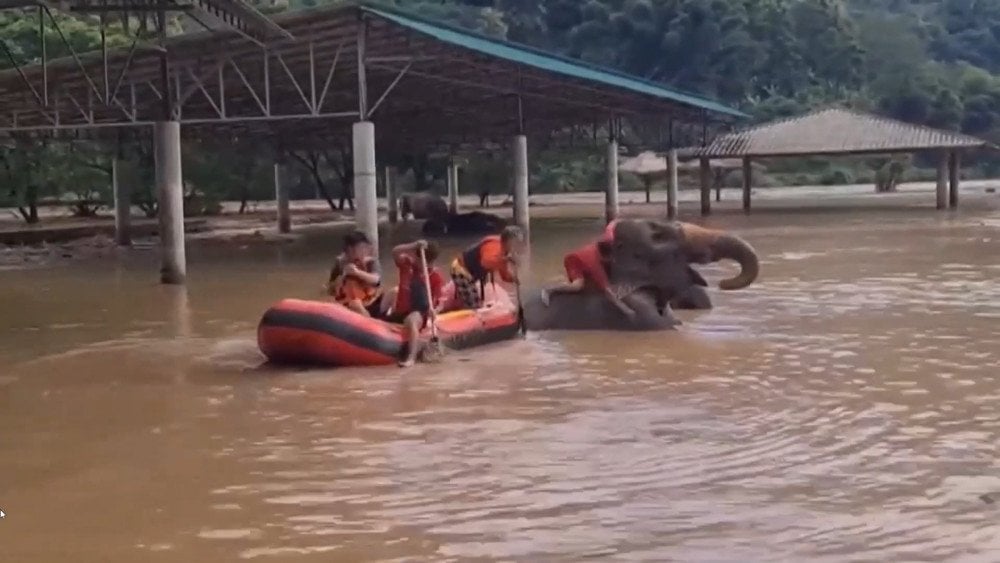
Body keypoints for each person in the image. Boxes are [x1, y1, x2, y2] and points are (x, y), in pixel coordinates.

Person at [540, 220, 634, 318]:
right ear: (605, 257)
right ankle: (549, 289)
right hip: (574, 262)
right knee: (578, 286)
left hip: (586, 259)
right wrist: (626, 310)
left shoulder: (609, 239)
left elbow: (610, 227)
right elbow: (608, 292)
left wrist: (619, 221)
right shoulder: (594, 263)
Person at [387, 239, 445, 367]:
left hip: (418, 311)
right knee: (391, 292)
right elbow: (395, 252)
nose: (424, 264)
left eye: (429, 262)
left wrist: (435, 311)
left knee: (412, 320)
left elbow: (441, 301)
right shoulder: (407, 264)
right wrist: (413, 245)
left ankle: (411, 357)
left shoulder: (435, 276)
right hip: (400, 310)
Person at [450, 225, 525, 310]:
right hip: (460, 270)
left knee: (474, 300)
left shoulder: (504, 252)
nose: (517, 246)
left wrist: (514, 279)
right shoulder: (494, 245)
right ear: (509, 241)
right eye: (516, 243)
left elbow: (504, 274)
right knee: (473, 304)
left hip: (469, 272)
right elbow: (485, 262)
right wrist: (507, 259)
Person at [326, 230, 382, 317]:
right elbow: (330, 288)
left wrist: (357, 272)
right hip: (348, 303)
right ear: (349, 250)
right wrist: (343, 276)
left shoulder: (371, 262)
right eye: (360, 248)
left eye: (365, 248)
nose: (364, 251)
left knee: (395, 292)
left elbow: (376, 280)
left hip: (370, 301)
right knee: (353, 304)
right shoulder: (340, 263)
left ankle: (374, 325)